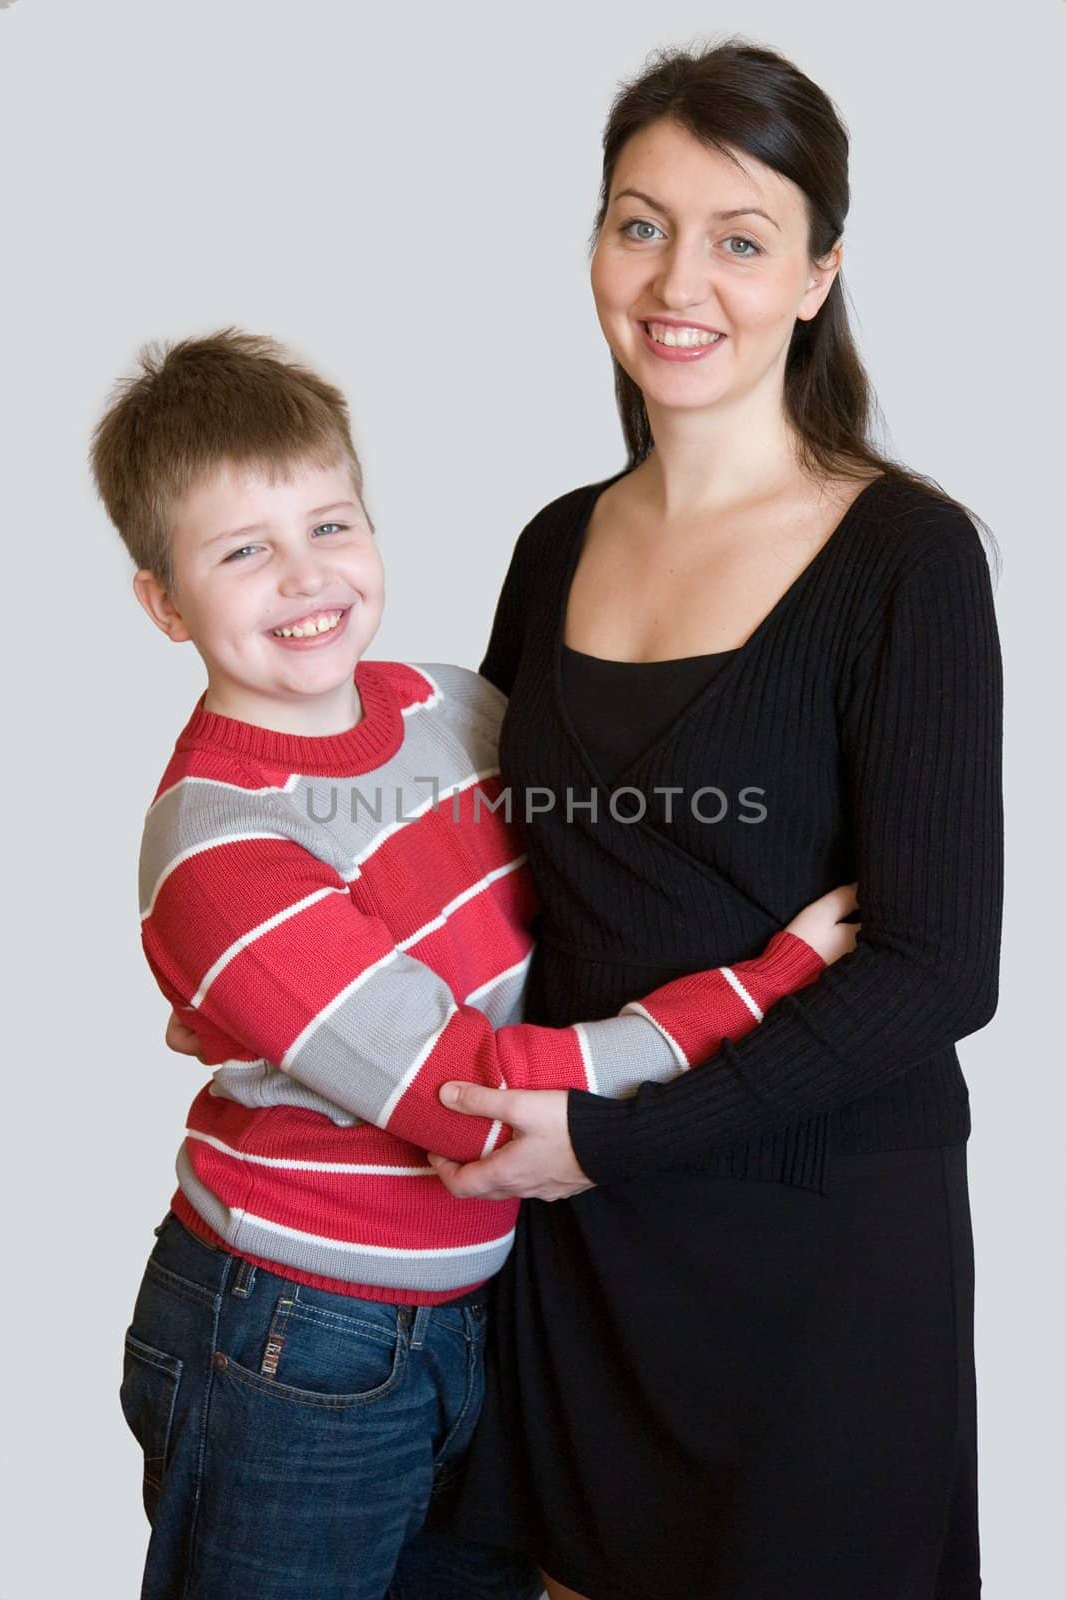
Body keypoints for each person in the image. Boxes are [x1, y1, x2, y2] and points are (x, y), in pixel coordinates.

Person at [92, 328, 860, 1600]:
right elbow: (474, 1088)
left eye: (330, 526)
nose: (305, 577)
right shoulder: (222, 847)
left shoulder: (448, 706)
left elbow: (612, 862)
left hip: (473, 1319)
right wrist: (767, 982)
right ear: (164, 601)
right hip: (293, 1332)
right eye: (243, 552)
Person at [422, 40, 1004, 1600]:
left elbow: (938, 971)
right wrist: (295, 983)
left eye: (739, 237)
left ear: (816, 275)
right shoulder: (554, 545)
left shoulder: (904, 558)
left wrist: (609, 1141)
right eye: (637, 222)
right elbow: (475, 879)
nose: (678, 279)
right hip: (581, 1244)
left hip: (812, 1253)